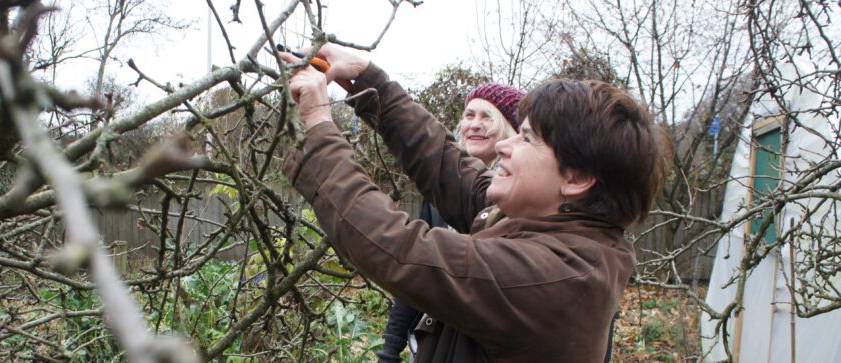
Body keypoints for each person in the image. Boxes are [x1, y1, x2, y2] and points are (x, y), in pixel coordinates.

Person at [281, 44, 665, 362]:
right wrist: (368, 80)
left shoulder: (549, 276)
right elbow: (447, 165)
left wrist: (317, 124)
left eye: (527, 138)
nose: (503, 145)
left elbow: (396, 248)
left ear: (578, 179)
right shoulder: (549, 226)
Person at [376, 83, 525, 363]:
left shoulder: (517, 200)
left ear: (508, 130)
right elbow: (417, 271)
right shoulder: (438, 197)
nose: (475, 125)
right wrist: (391, 347)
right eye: (469, 115)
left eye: (487, 117)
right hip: (426, 343)